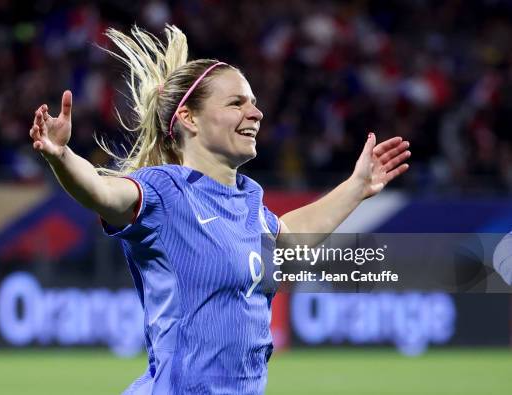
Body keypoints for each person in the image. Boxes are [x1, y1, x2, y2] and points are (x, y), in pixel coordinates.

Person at [29, 25, 410, 394]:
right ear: (189, 119)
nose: (256, 113)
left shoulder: (249, 201)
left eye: (255, 103)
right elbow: (101, 192)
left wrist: (356, 187)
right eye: (237, 103)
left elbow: (288, 239)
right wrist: (62, 155)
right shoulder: (164, 191)